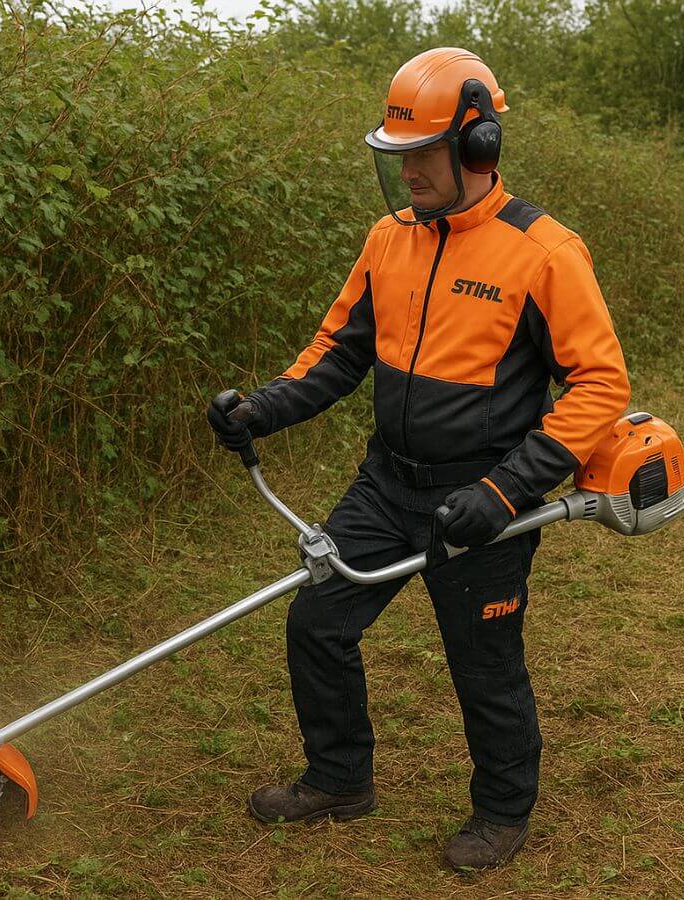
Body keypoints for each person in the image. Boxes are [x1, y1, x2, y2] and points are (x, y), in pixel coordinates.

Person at [207, 47, 630, 872]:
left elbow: (600, 384)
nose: (404, 174)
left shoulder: (544, 252)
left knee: (484, 667)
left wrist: (506, 492)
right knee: (318, 622)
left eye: (420, 155)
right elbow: (336, 352)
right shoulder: (389, 239)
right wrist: (261, 407)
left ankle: (503, 813)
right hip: (386, 484)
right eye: (393, 156)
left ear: (478, 144)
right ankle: (338, 779)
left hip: (481, 504)